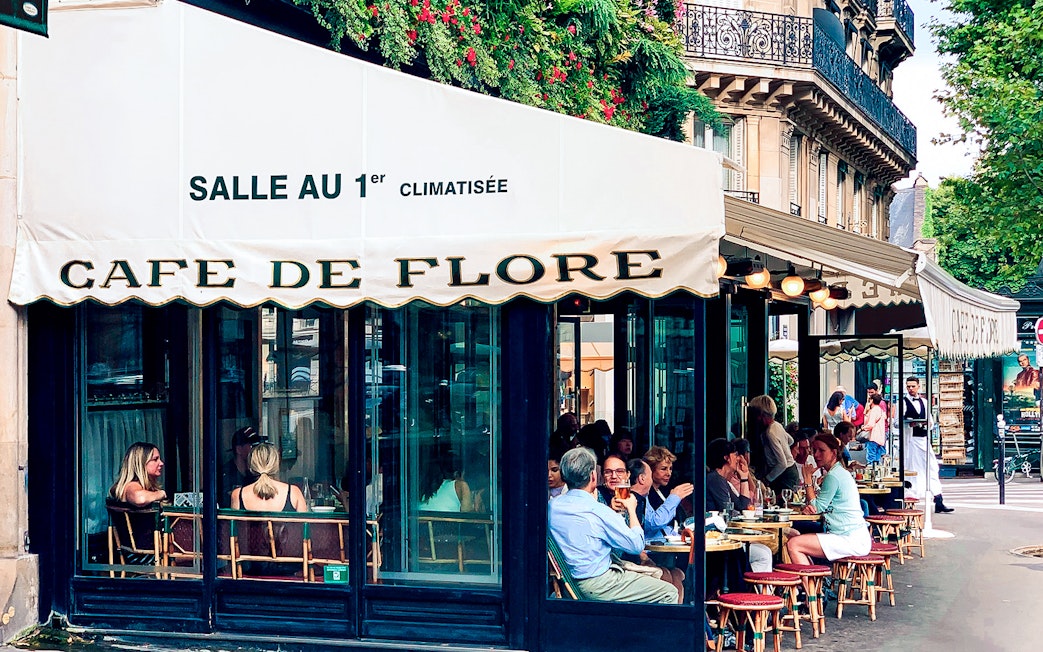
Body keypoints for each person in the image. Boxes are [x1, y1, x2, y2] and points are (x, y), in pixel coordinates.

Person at [548, 447, 678, 603]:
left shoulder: (551, 507)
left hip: (569, 583)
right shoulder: (598, 510)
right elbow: (636, 545)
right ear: (593, 476)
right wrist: (631, 508)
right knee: (669, 592)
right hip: (599, 583)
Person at [785, 433, 871, 565]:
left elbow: (816, 508)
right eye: (814, 450)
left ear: (834, 453)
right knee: (795, 536)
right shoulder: (838, 472)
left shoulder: (833, 476)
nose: (816, 455)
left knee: (794, 544)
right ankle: (815, 582)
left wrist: (807, 478)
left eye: (822, 450)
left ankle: (810, 585)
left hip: (849, 539)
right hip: (853, 536)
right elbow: (817, 505)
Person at [705, 439, 771, 573]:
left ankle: (753, 589)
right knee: (763, 555)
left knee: (764, 551)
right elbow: (728, 512)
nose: (738, 458)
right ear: (726, 458)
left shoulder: (722, 481)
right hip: (717, 540)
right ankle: (748, 590)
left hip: (726, 536)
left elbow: (743, 505)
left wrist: (744, 477)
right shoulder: (714, 480)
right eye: (735, 454)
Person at [898, 377, 952, 513]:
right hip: (911, 441)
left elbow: (931, 422)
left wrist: (926, 424)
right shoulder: (902, 403)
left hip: (923, 440)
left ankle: (938, 498)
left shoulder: (924, 402)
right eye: (908, 386)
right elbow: (896, 422)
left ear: (918, 387)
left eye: (913, 386)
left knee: (932, 467)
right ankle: (910, 497)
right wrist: (908, 422)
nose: (910, 389)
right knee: (912, 469)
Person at [230, 443, 308, 512]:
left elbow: (235, 527)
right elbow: (304, 526)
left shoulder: (237, 494)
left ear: (251, 466)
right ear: (276, 465)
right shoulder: (293, 492)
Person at [748, 395, 800, 493]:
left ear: (761, 415)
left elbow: (782, 464)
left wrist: (767, 479)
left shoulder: (770, 433)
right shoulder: (778, 426)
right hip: (791, 470)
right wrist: (785, 449)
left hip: (783, 474)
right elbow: (790, 440)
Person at [643, 445, 692, 531]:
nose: (668, 473)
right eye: (663, 469)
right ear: (650, 469)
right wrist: (674, 498)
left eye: (670, 469)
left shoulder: (664, 490)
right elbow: (655, 523)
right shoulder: (645, 493)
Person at [109, 442, 167, 507]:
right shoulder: (131, 485)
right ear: (141, 463)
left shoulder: (143, 486)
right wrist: (161, 494)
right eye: (155, 459)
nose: (161, 463)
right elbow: (140, 499)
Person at [222, 425, 264, 506]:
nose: (256, 449)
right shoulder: (225, 475)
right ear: (239, 449)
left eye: (257, 445)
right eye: (252, 445)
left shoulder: (258, 472)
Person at [861, 393, 888, 464]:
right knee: (877, 458)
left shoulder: (874, 410)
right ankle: (877, 472)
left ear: (872, 400)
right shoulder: (881, 410)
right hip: (880, 437)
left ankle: (871, 473)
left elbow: (871, 424)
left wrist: (863, 428)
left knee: (871, 458)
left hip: (873, 436)